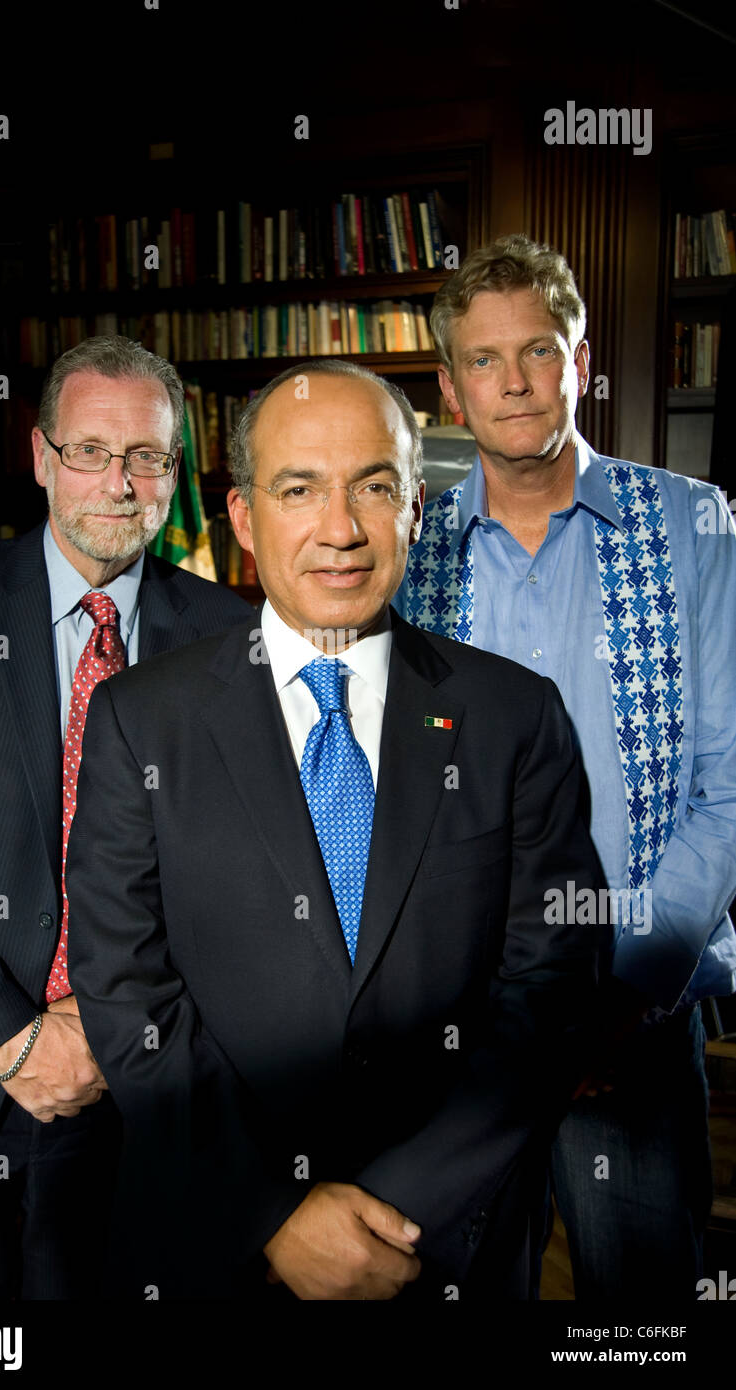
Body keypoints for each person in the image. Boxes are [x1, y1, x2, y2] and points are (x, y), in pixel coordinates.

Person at [65, 357, 606, 1301]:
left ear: (414, 510)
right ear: (242, 518)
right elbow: (124, 990)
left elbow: (550, 995)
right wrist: (273, 1209)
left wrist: (398, 1211)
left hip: (449, 1248)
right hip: (216, 1244)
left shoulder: (514, 717)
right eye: (299, 489)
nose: (341, 530)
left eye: (374, 486)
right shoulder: (138, 719)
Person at [0, 335, 251, 1299]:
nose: (116, 484)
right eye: (89, 451)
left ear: (175, 471)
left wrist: (118, 1026)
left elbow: (250, 874)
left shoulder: (235, 637)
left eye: (146, 458)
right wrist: (11, 1037)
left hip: (156, 1091)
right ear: (41, 457)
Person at [396, 234, 736, 1300]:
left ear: (576, 361)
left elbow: (726, 785)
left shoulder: (690, 525)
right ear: (449, 387)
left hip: (631, 1013)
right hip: (465, 1026)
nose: (514, 383)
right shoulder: (411, 557)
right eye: (484, 361)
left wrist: (618, 989)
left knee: (642, 1305)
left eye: (536, 351)